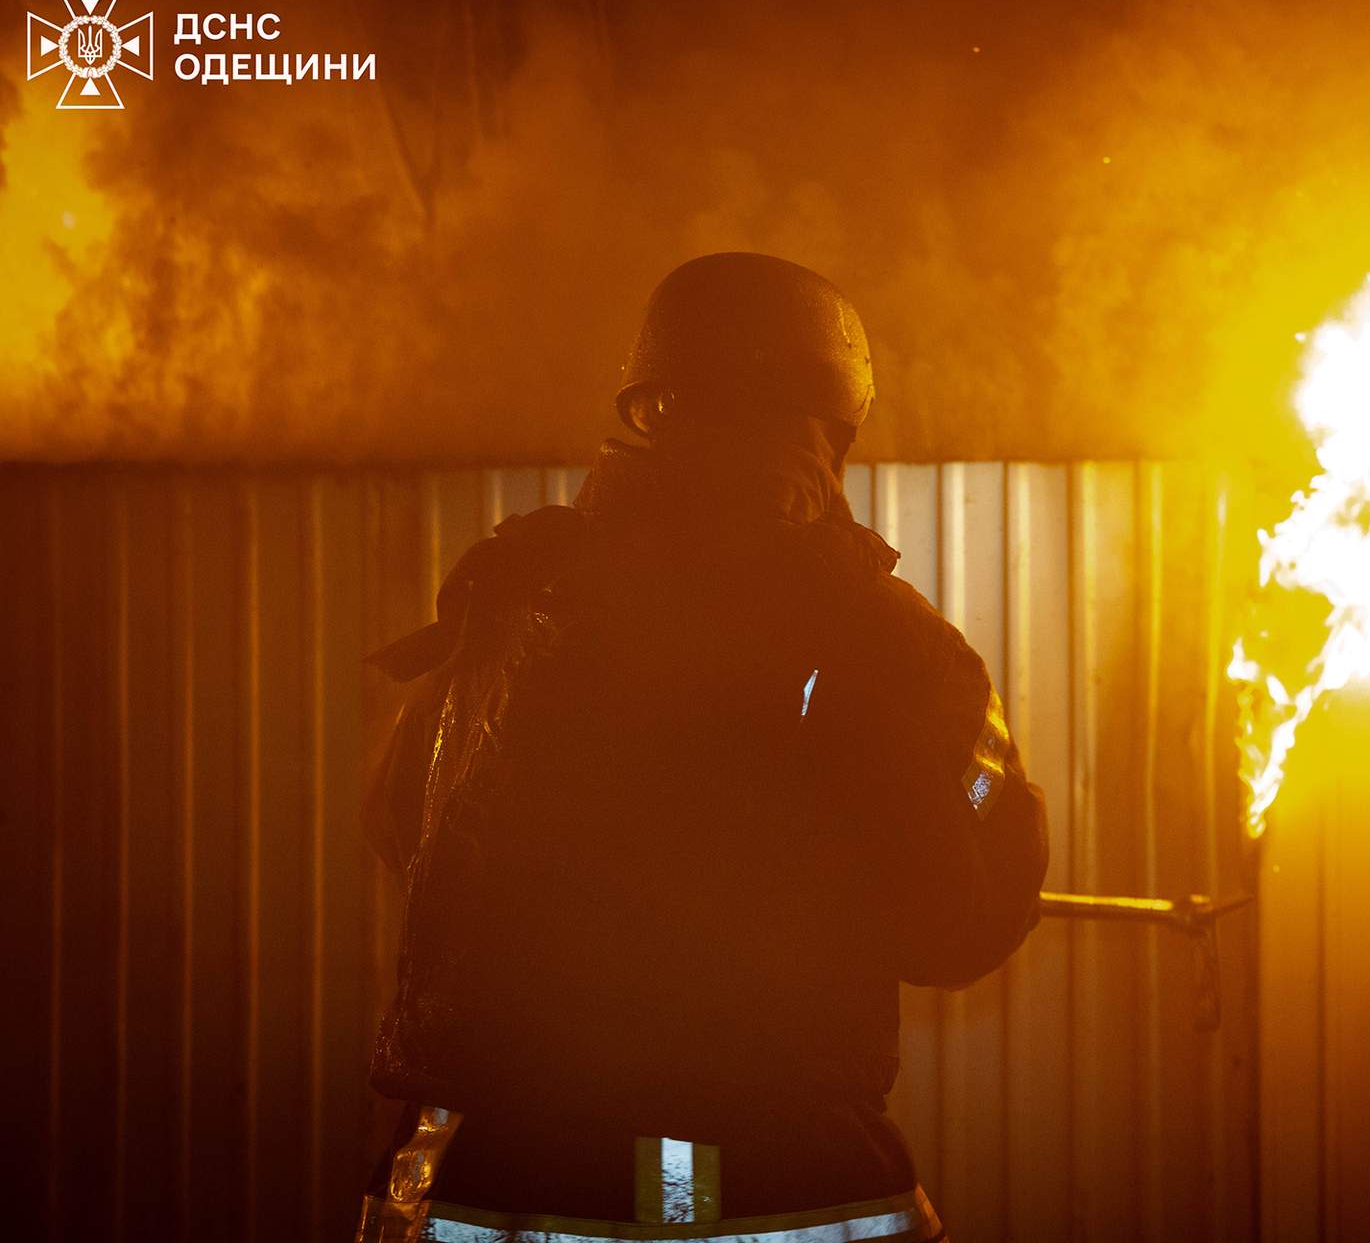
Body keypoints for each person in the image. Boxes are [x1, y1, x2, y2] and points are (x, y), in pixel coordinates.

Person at [353, 253, 1048, 1243]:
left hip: (466, 1172)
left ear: (651, 406)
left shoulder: (509, 596)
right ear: (831, 420)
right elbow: (957, 917)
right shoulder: (874, 633)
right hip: (746, 1170)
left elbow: (396, 822)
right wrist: (1002, 823)